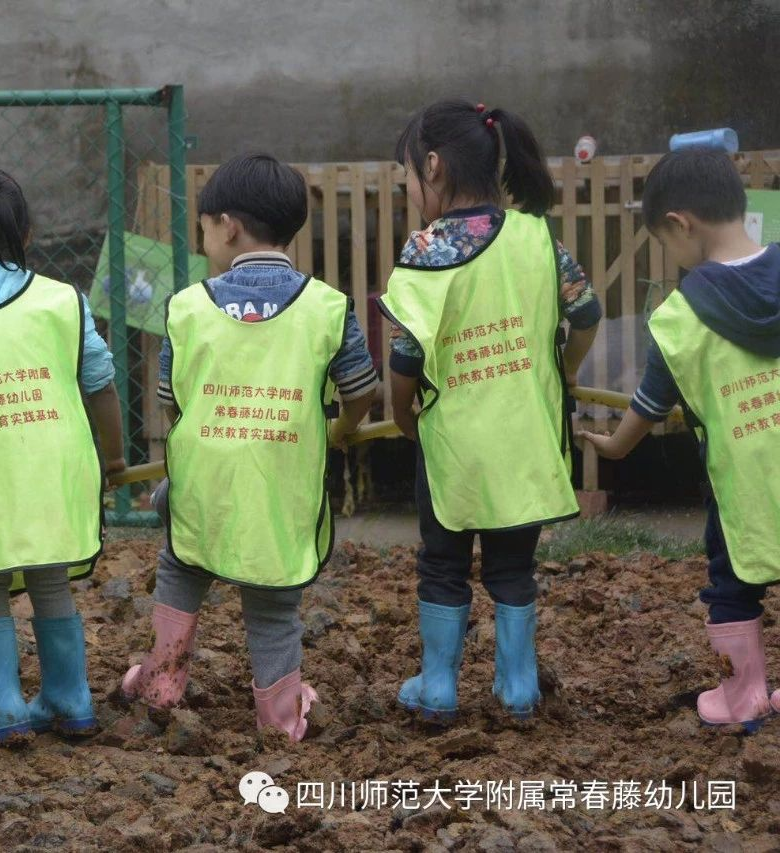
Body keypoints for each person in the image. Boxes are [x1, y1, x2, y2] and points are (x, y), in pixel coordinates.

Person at [122, 152, 379, 741]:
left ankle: (161, 682)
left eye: (204, 227)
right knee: (273, 596)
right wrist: (338, 432)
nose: (204, 239)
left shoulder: (186, 308)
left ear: (228, 226)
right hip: (280, 483)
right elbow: (361, 391)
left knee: (182, 563)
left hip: (203, 480)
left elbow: (171, 401)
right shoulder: (327, 308)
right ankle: (280, 712)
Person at [379, 100, 599, 722]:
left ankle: (440, 687)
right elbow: (585, 313)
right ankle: (519, 686)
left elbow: (404, 356)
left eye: (409, 180)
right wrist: (567, 369)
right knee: (513, 565)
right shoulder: (536, 238)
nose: (410, 192)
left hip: (451, 447)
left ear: (433, 167)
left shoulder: (424, 252)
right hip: (523, 444)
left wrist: (403, 418)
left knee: (442, 564)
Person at [0, 160, 125, 744]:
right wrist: (111, 460)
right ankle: (70, 698)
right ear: (28, 235)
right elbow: (101, 385)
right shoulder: (64, 300)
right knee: (50, 579)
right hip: (57, 470)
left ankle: (3, 708)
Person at [582, 146, 780, 730]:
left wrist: (616, 446)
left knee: (732, 582)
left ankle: (744, 699)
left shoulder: (680, 316)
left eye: (665, 244)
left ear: (679, 224)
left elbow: (650, 402)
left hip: (740, 483)